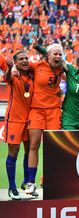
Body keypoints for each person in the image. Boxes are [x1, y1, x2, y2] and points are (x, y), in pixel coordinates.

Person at [25, 42, 65, 195]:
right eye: (55, 53)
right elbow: (22, 67)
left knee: (53, 148)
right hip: (36, 110)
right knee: (34, 146)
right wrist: (14, 70)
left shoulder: (62, 67)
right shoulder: (37, 65)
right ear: (47, 55)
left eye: (60, 54)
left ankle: (47, 179)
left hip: (54, 111)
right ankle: (30, 182)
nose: (58, 56)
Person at [3, 51, 34, 199]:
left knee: (29, 153)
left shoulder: (33, 78)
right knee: (13, 153)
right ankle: (12, 187)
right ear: (15, 63)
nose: (25, 61)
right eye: (21, 59)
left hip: (30, 121)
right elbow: (7, 77)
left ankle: (27, 183)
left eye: (26, 58)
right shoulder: (13, 75)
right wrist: (9, 69)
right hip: (14, 120)